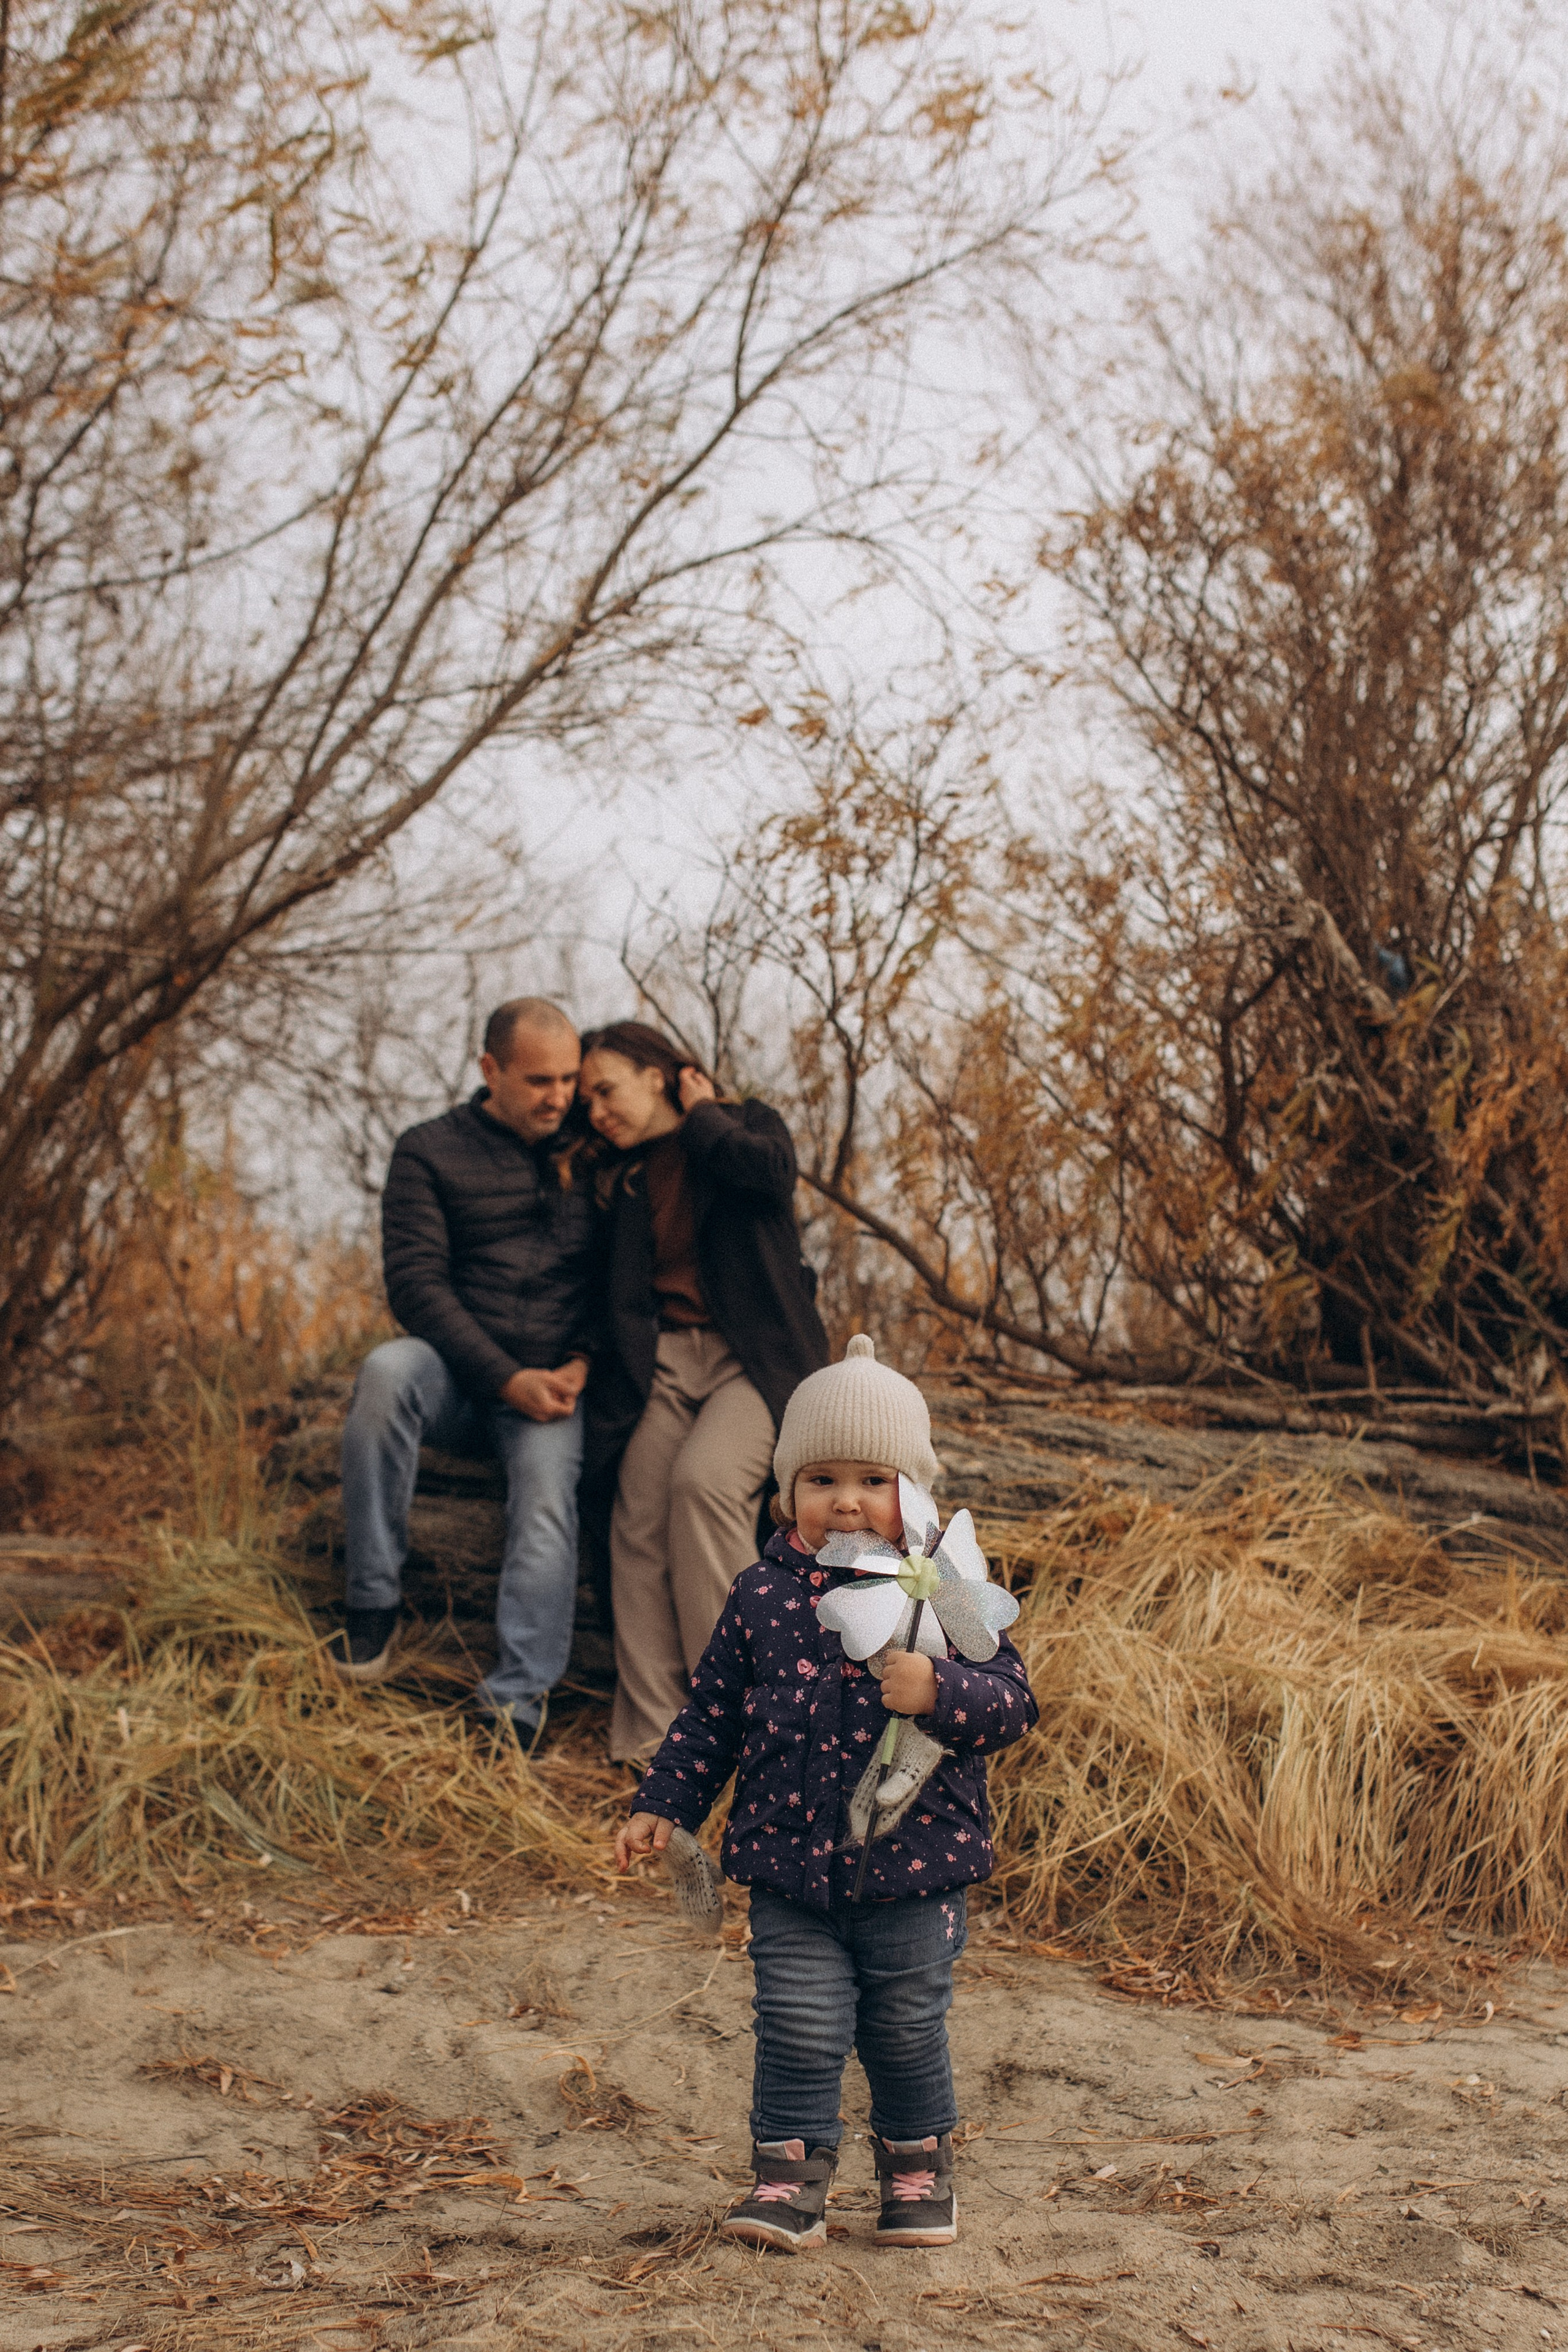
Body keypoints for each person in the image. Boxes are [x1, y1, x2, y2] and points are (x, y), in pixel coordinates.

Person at [614, 1337, 1038, 2252]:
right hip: (788, 1869)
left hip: (916, 1870)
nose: (846, 1499)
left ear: (914, 1494)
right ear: (783, 1495)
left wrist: (941, 1689)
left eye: (873, 1478)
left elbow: (1013, 1702)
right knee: (800, 2026)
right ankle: (786, 2182)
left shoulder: (948, 1592)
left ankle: (918, 2172)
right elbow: (711, 1717)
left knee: (904, 2028)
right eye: (821, 1478)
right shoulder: (761, 1595)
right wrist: (668, 1801)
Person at [331, 997, 597, 1741]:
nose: (559, 1097)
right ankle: (371, 1603)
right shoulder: (428, 1149)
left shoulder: (591, 1150)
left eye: (569, 1079)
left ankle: (515, 1702)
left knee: (546, 1496)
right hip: (455, 1373)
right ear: (490, 1070)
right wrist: (502, 1375)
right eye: (540, 1080)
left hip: (551, 1388)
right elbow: (415, 1283)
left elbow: (620, 1282)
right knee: (385, 1373)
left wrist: (583, 1362)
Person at [577, 1020, 829, 1764]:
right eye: (586, 1098)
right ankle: (656, 1740)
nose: (594, 1110)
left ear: (657, 1075)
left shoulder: (742, 1127)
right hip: (659, 1365)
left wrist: (703, 1115)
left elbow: (771, 1173)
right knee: (637, 1514)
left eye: (605, 1090)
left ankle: (748, 1719)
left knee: (703, 1485)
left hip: (752, 1361)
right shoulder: (618, 1174)